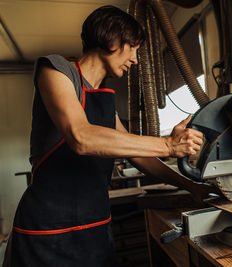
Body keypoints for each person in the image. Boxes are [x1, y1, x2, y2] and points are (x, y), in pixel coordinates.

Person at [3, 5, 213, 267]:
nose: (135, 59)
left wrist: (191, 186)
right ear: (113, 39)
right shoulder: (56, 70)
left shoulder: (104, 102)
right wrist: (168, 145)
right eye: (133, 48)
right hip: (48, 232)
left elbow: (136, 156)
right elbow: (82, 137)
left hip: (95, 227)